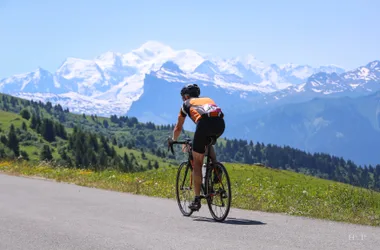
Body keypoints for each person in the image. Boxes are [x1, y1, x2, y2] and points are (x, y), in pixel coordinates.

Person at [168, 83, 225, 211]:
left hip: (204, 124)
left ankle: (197, 199)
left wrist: (173, 140)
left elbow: (178, 127)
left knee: (197, 163)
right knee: (208, 143)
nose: (183, 99)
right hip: (220, 124)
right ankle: (216, 167)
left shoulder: (185, 104)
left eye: (183, 97)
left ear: (186, 96)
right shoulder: (207, 99)